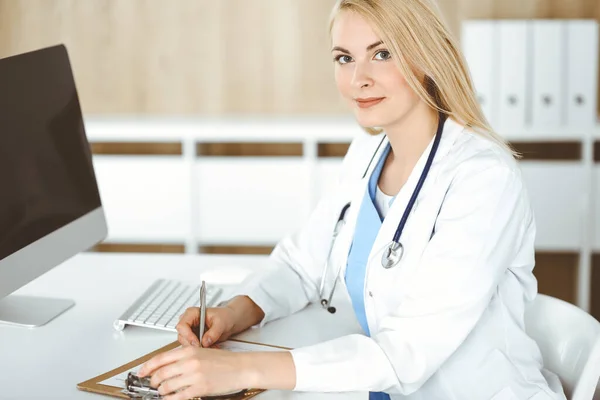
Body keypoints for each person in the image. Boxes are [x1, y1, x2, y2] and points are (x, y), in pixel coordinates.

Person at [138, 1, 567, 399]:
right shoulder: (368, 151)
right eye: (344, 58)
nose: (358, 78)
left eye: (382, 54)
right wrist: (236, 310)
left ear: (426, 58)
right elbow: (302, 263)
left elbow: (408, 351)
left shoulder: (483, 178)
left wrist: (243, 371)